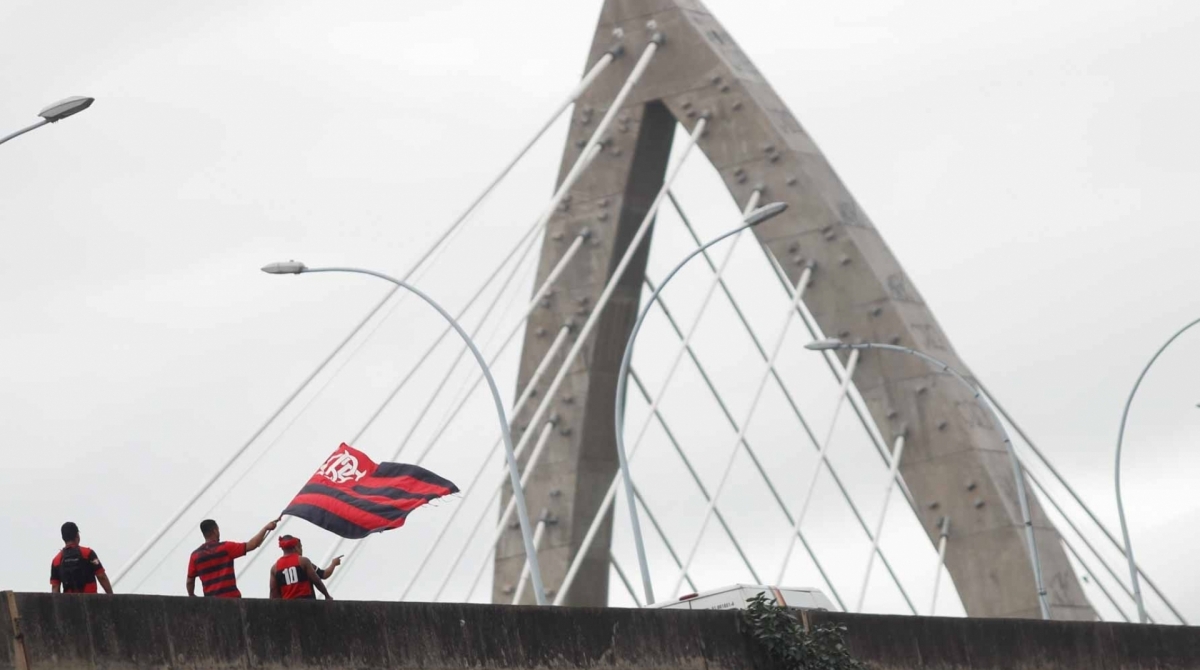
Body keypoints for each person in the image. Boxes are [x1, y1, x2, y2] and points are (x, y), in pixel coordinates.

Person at [187, 517, 278, 598]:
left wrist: (192, 595)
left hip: (211, 603)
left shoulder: (195, 556)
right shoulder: (226, 548)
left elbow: (190, 581)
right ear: (215, 531)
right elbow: (252, 545)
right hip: (231, 599)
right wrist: (266, 528)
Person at [50, 522, 112, 594]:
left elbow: (55, 587)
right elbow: (101, 576)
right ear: (77, 535)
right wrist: (111, 596)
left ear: (63, 538)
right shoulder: (88, 553)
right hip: (90, 598)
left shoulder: (56, 560)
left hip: (69, 600)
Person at [269, 535, 333, 600]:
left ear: (282, 548)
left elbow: (273, 590)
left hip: (287, 603)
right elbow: (316, 581)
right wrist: (327, 596)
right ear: (295, 547)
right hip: (306, 601)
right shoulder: (303, 561)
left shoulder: (275, 568)